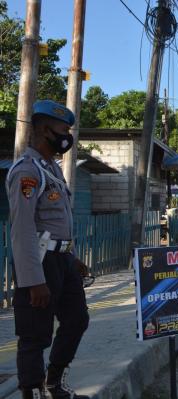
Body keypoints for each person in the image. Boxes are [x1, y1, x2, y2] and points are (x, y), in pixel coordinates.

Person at [6, 100, 90, 399]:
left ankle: (54, 384)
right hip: (40, 263)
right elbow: (23, 228)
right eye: (63, 130)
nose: (68, 137)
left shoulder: (52, 168)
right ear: (43, 130)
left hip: (62, 260)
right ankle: (33, 391)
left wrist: (72, 258)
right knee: (35, 334)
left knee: (77, 319)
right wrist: (33, 280)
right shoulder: (27, 172)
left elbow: (54, 222)